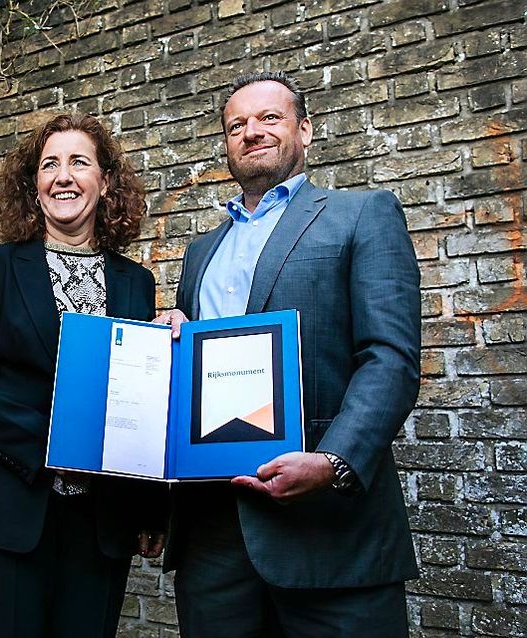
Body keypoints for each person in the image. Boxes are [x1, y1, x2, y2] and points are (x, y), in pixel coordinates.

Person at [156, 71, 420, 637]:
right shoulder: (201, 251)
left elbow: (390, 357)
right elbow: (191, 380)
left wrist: (335, 461)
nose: (252, 132)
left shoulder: (362, 214)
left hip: (329, 532)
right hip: (212, 537)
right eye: (237, 125)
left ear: (304, 129)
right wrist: (167, 342)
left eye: (269, 118)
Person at [0, 113, 167, 638]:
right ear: (34, 186)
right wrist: (54, 445)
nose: (63, 176)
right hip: (7, 506)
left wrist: (153, 508)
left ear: (105, 182)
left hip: (102, 521)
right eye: (49, 165)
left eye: (79, 162)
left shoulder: (136, 282)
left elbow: (144, 403)